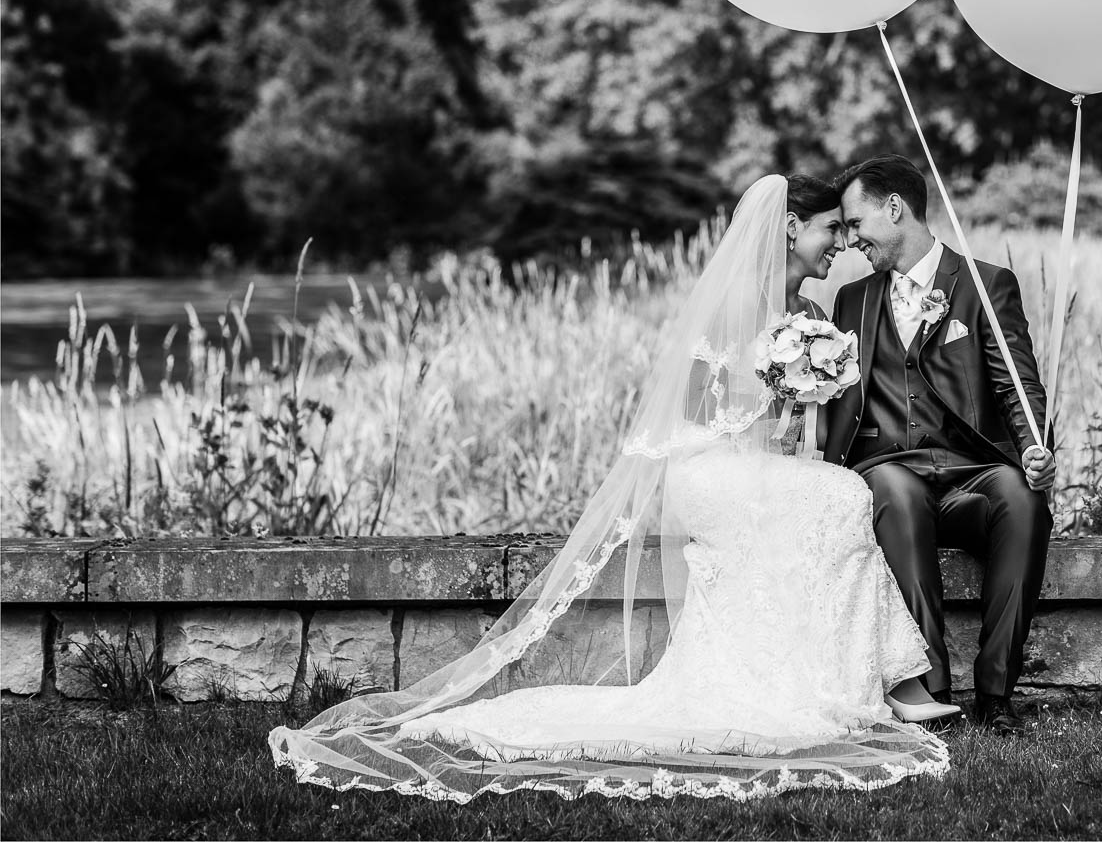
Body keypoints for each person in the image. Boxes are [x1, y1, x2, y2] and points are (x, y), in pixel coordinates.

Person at [269, 174, 954, 804]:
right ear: (789, 229)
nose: (842, 243)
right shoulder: (733, 299)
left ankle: (837, 683)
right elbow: (693, 413)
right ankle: (892, 684)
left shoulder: (808, 305)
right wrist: (779, 383)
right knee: (836, 497)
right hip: (707, 468)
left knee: (836, 494)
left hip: (758, 466)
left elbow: (792, 427)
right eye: (832, 229)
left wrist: (811, 386)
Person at [826, 154, 1056, 736]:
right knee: (894, 490)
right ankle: (929, 686)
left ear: (895, 209)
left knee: (1022, 499)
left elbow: (1015, 383)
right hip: (891, 468)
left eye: (856, 224)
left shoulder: (985, 285)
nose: (852, 241)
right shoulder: (851, 300)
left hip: (971, 471)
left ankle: (997, 691)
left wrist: (1035, 448)